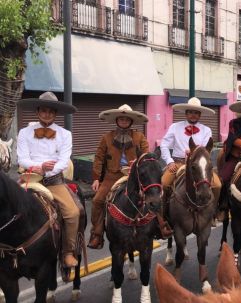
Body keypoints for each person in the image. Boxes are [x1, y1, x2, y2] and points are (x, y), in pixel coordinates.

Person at [16, 92, 80, 267]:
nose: (47, 114)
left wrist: (46, 170)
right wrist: (39, 167)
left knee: (73, 213)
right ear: (37, 111)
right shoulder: (24, 132)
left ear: (56, 113)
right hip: (30, 178)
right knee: (7, 207)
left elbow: (63, 161)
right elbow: (22, 158)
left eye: (51, 111)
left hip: (54, 182)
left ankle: (68, 251)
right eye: (43, 110)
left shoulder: (65, 134)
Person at [87, 104, 150, 249]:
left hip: (134, 175)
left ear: (131, 121)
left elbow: (147, 155)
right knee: (97, 200)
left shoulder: (139, 137)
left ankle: (160, 225)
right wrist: (96, 178)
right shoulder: (106, 137)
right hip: (111, 176)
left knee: (152, 195)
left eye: (126, 119)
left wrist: (138, 162)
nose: (123, 121)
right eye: (121, 119)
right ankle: (96, 234)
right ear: (116, 120)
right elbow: (98, 158)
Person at [160, 97, 221, 203]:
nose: (193, 115)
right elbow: (164, 145)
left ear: (200, 114)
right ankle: (164, 212)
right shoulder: (175, 127)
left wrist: (195, 152)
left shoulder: (206, 130)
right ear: (186, 113)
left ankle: (213, 210)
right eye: (190, 112)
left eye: (196, 113)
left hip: (199, 165)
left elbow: (206, 149)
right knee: (164, 183)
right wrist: (170, 162)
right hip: (178, 163)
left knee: (217, 185)